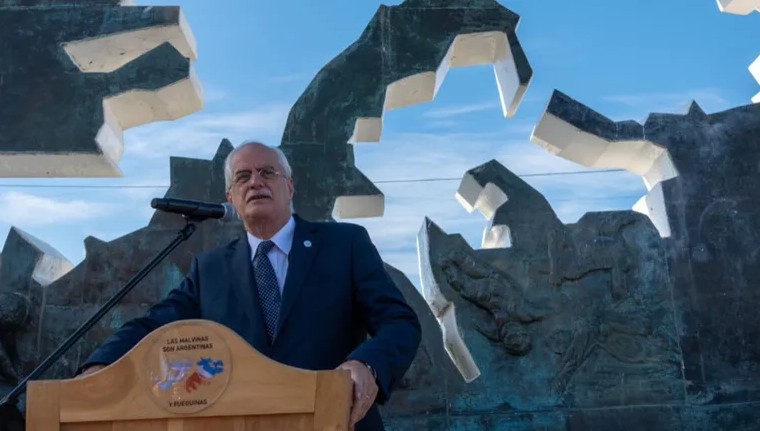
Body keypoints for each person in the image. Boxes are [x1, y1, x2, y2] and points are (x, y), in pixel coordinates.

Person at [79, 141, 422, 430]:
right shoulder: (210, 269)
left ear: (290, 187)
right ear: (231, 196)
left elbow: (398, 321)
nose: (255, 181)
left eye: (267, 172)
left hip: (337, 420)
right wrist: (100, 366)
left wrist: (367, 365)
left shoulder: (344, 244)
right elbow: (154, 326)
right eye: (243, 176)